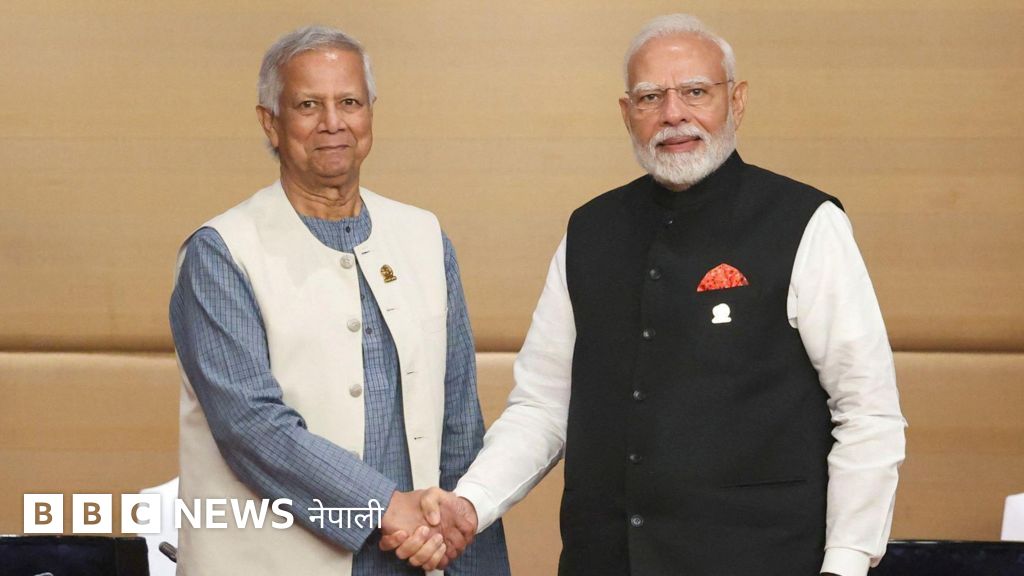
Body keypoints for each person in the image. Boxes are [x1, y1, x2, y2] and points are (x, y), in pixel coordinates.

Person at [388, 13, 906, 576]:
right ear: (626, 113)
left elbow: (867, 411)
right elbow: (543, 406)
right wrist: (471, 503)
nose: (673, 114)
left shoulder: (806, 222)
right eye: (650, 97)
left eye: (696, 92)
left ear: (736, 101)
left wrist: (846, 563)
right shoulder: (590, 230)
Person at [169, 25, 509, 576]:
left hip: (417, 560)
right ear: (270, 122)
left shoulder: (423, 237)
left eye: (349, 102)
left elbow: (460, 428)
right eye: (309, 105)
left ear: (370, 113)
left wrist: (465, 552)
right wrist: (386, 507)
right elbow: (251, 427)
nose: (333, 122)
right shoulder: (221, 252)